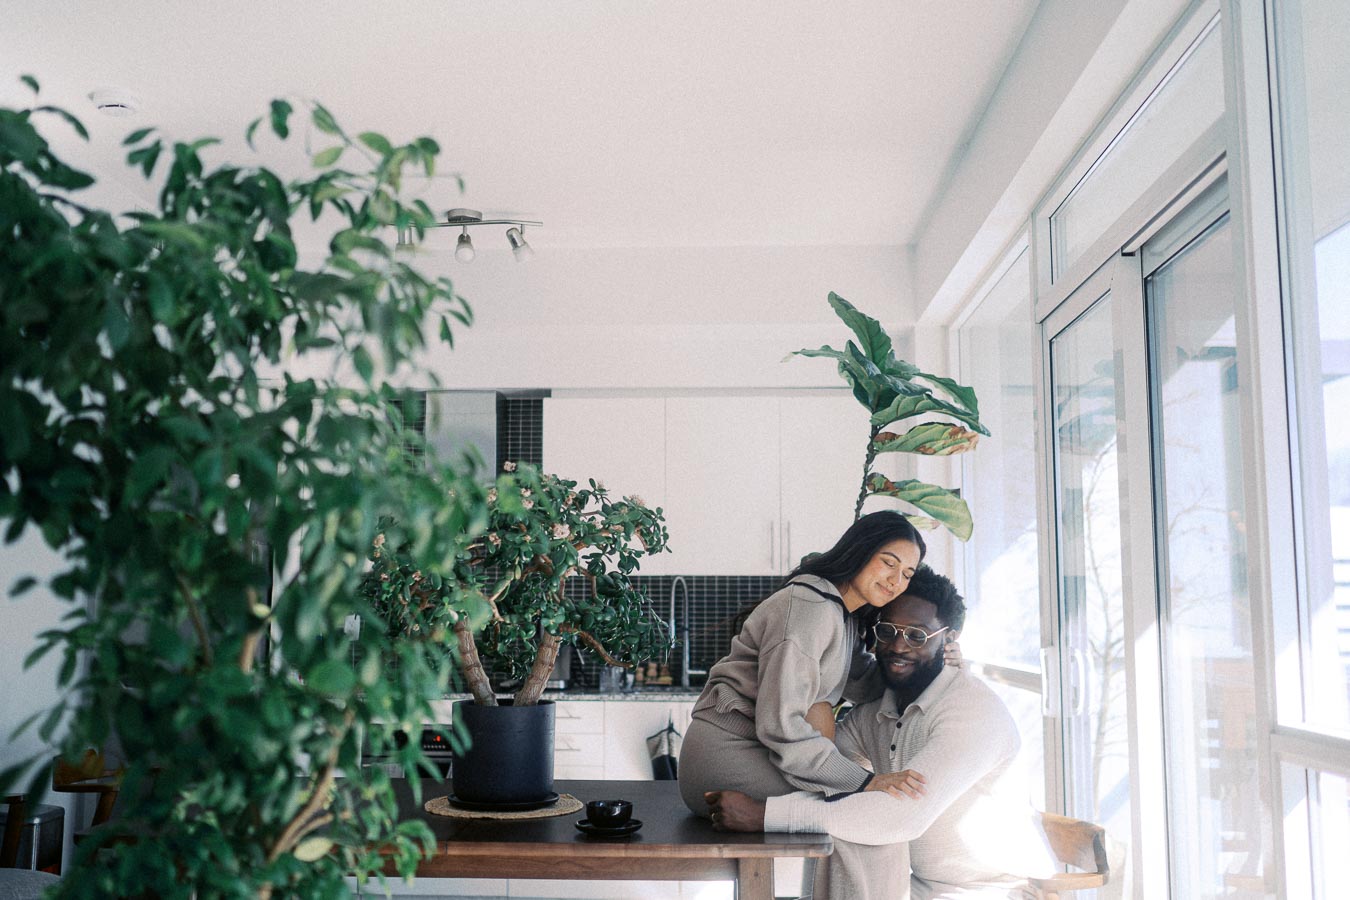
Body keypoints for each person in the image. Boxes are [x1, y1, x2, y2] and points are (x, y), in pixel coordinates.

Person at [705, 566, 1057, 900]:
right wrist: (816, 701)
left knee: (868, 826)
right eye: (888, 631)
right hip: (920, 886)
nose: (898, 647)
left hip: (994, 890)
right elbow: (819, 766)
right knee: (851, 823)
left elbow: (899, 817)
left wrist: (764, 815)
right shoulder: (880, 710)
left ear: (948, 639)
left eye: (917, 635)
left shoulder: (971, 711)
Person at [678, 510, 957, 816]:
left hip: (762, 751)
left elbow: (867, 683)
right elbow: (781, 726)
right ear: (860, 551)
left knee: (865, 809)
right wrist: (865, 782)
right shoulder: (811, 609)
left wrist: (937, 661)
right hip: (727, 757)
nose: (895, 581)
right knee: (861, 810)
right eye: (889, 563)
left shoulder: (841, 612)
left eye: (907, 573)